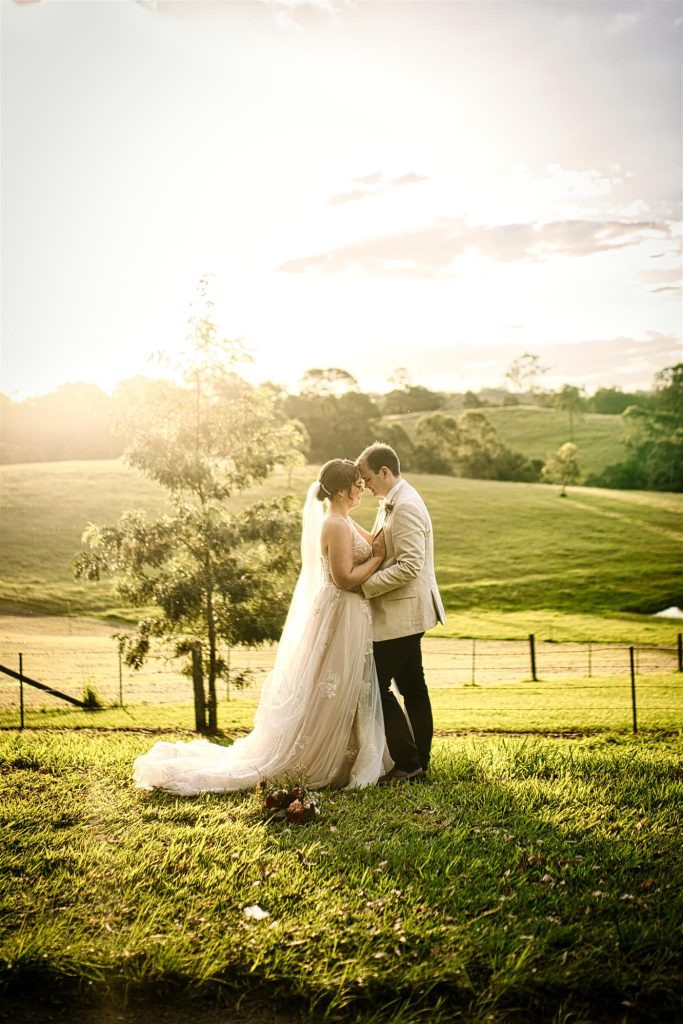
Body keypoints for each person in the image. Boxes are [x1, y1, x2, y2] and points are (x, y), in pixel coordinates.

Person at [133, 459, 393, 795]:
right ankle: (317, 755)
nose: (361, 488)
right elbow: (344, 578)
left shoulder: (344, 520)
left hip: (351, 614)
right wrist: (375, 560)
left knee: (346, 684)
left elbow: (375, 543)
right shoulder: (335, 525)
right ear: (343, 490)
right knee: (333, 683)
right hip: (341, 612)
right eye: (358, 483)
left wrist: (387, 524)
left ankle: (347, 753)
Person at [356, 442, 445, 782]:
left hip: (404, 612)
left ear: (384, 471)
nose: (365, 485)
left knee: (374, 684)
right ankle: (418, 763)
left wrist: (365, 586)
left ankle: (408, 762)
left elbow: (409, 566)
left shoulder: (405, 505)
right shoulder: (391, 501)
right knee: (411, 685)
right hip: (405, 612)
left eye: (367, 478)